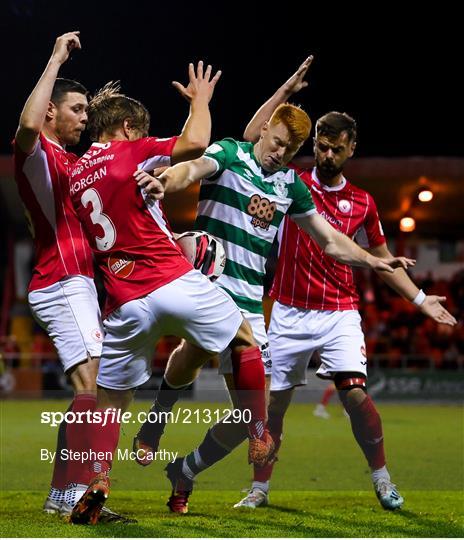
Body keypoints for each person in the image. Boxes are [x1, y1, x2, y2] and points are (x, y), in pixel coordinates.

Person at [136, 100, 415, 514]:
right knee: (195, 355)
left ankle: (185, 470)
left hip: (250, 302)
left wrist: (374, 260)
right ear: (264, 129)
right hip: (208, 288)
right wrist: (167, 180)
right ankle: (157, 420)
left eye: (289, 149)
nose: (279, 153)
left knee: (254, 415)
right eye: (277, 143)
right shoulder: (231, 152)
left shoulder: (290, 185)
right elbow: (192, 169)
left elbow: (331, 240)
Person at [232, 58, 457, 511]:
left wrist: (417, 298)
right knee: (272, 409)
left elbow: (380, 258)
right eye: (321, 146)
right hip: (290, 311)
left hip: (338, 312)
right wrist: (283, 91)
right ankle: (260, 488)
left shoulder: (363, 202)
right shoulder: (288, 181)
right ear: (313, 143)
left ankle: (381, 478)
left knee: (354, 394)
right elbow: (251, 138)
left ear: (351, 148)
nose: (327, 155)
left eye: (336, 149)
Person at [68, 75, 274, 525]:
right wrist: (200, 100)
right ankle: (259, 432)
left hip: (121, 300)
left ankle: (98, 479)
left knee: (111, 398)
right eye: (138, 131)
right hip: (170, 277)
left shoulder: (75, 174)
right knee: (243, 337)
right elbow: (196, 141)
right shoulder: (130, 150)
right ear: (126, 128)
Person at [12, 31, 110, 518]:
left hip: (79, 282)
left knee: (88, 389)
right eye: (78, 110)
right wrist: (53, 58)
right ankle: (77, 492)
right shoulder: (37, 156)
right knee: (89, 385)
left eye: (88, 112)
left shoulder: (74, 162)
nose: (84, 118)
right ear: (53, 111)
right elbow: (28, 124)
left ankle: (59, 494)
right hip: (61, 279)